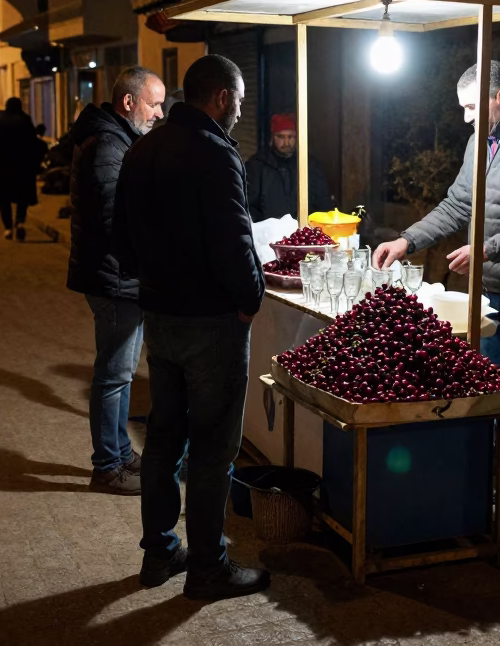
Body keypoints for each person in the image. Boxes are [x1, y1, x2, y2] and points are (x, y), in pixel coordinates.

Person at [373, 60, 500, 529]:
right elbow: (458, 204)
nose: (465, 118)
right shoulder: (478, 142)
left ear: (499, 98)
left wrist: (487, 249)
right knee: (495, 390)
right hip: (489, 291)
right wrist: (408, 239)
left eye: (470, 107)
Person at [113, 54, 269, 599]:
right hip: (211, 323)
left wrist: (152, 283)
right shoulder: (214, 153)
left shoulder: (143, 147)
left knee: (163, 438)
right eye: (240, 102)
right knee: (212, 447)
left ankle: (159, 553)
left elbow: (121, 237)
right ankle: (207, 566)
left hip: (161, 318)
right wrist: (251, 299)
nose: (240, 111)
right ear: (222, 98)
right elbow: (234, 240)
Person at [67, 67, 166, 496]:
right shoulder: (109, 144)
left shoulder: (116, 138)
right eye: (154, 103)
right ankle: (107, 465)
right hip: (115, 278)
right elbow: (114, 217)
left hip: (121, 276)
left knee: (121, 373)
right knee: (113, 374)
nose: (160, 113)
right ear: (129, 103)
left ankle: (121, 453)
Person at [244, 113, 333, 222]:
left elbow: (323, 203)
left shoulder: (309, 165)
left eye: (290, 137)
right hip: (268, 233)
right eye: (281, 137)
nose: (286, 143)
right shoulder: (257, 165)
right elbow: (247, 204)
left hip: (304, 233)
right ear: (272, 137)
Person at [0, 97, 43, 241]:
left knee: (3, 198)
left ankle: (7, 227)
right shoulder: (25, 121)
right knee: (22, 197)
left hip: (3, 167)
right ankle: (20, 221)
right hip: (23, 167)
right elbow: (33, 143)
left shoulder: (0, 122)